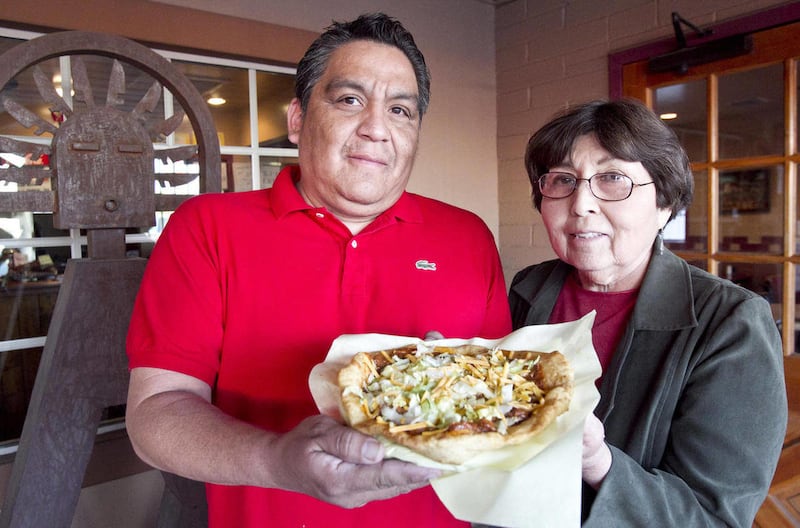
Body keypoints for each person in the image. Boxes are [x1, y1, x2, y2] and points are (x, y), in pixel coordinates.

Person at [125, 13, 511, 528]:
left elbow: (497, 403)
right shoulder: (208, 228)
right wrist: (276, 460)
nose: (376, 128)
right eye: (350, 100)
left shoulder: (468, 237)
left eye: (401, 110)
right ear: (297, 119)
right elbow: (156, 413)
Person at [508, 99, 787, 526]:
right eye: (563, 180)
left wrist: (599, 463)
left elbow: (714, 517)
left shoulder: (731, 322)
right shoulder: (527, 290)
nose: (581, 203)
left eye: (613, 178)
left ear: (664, 205)